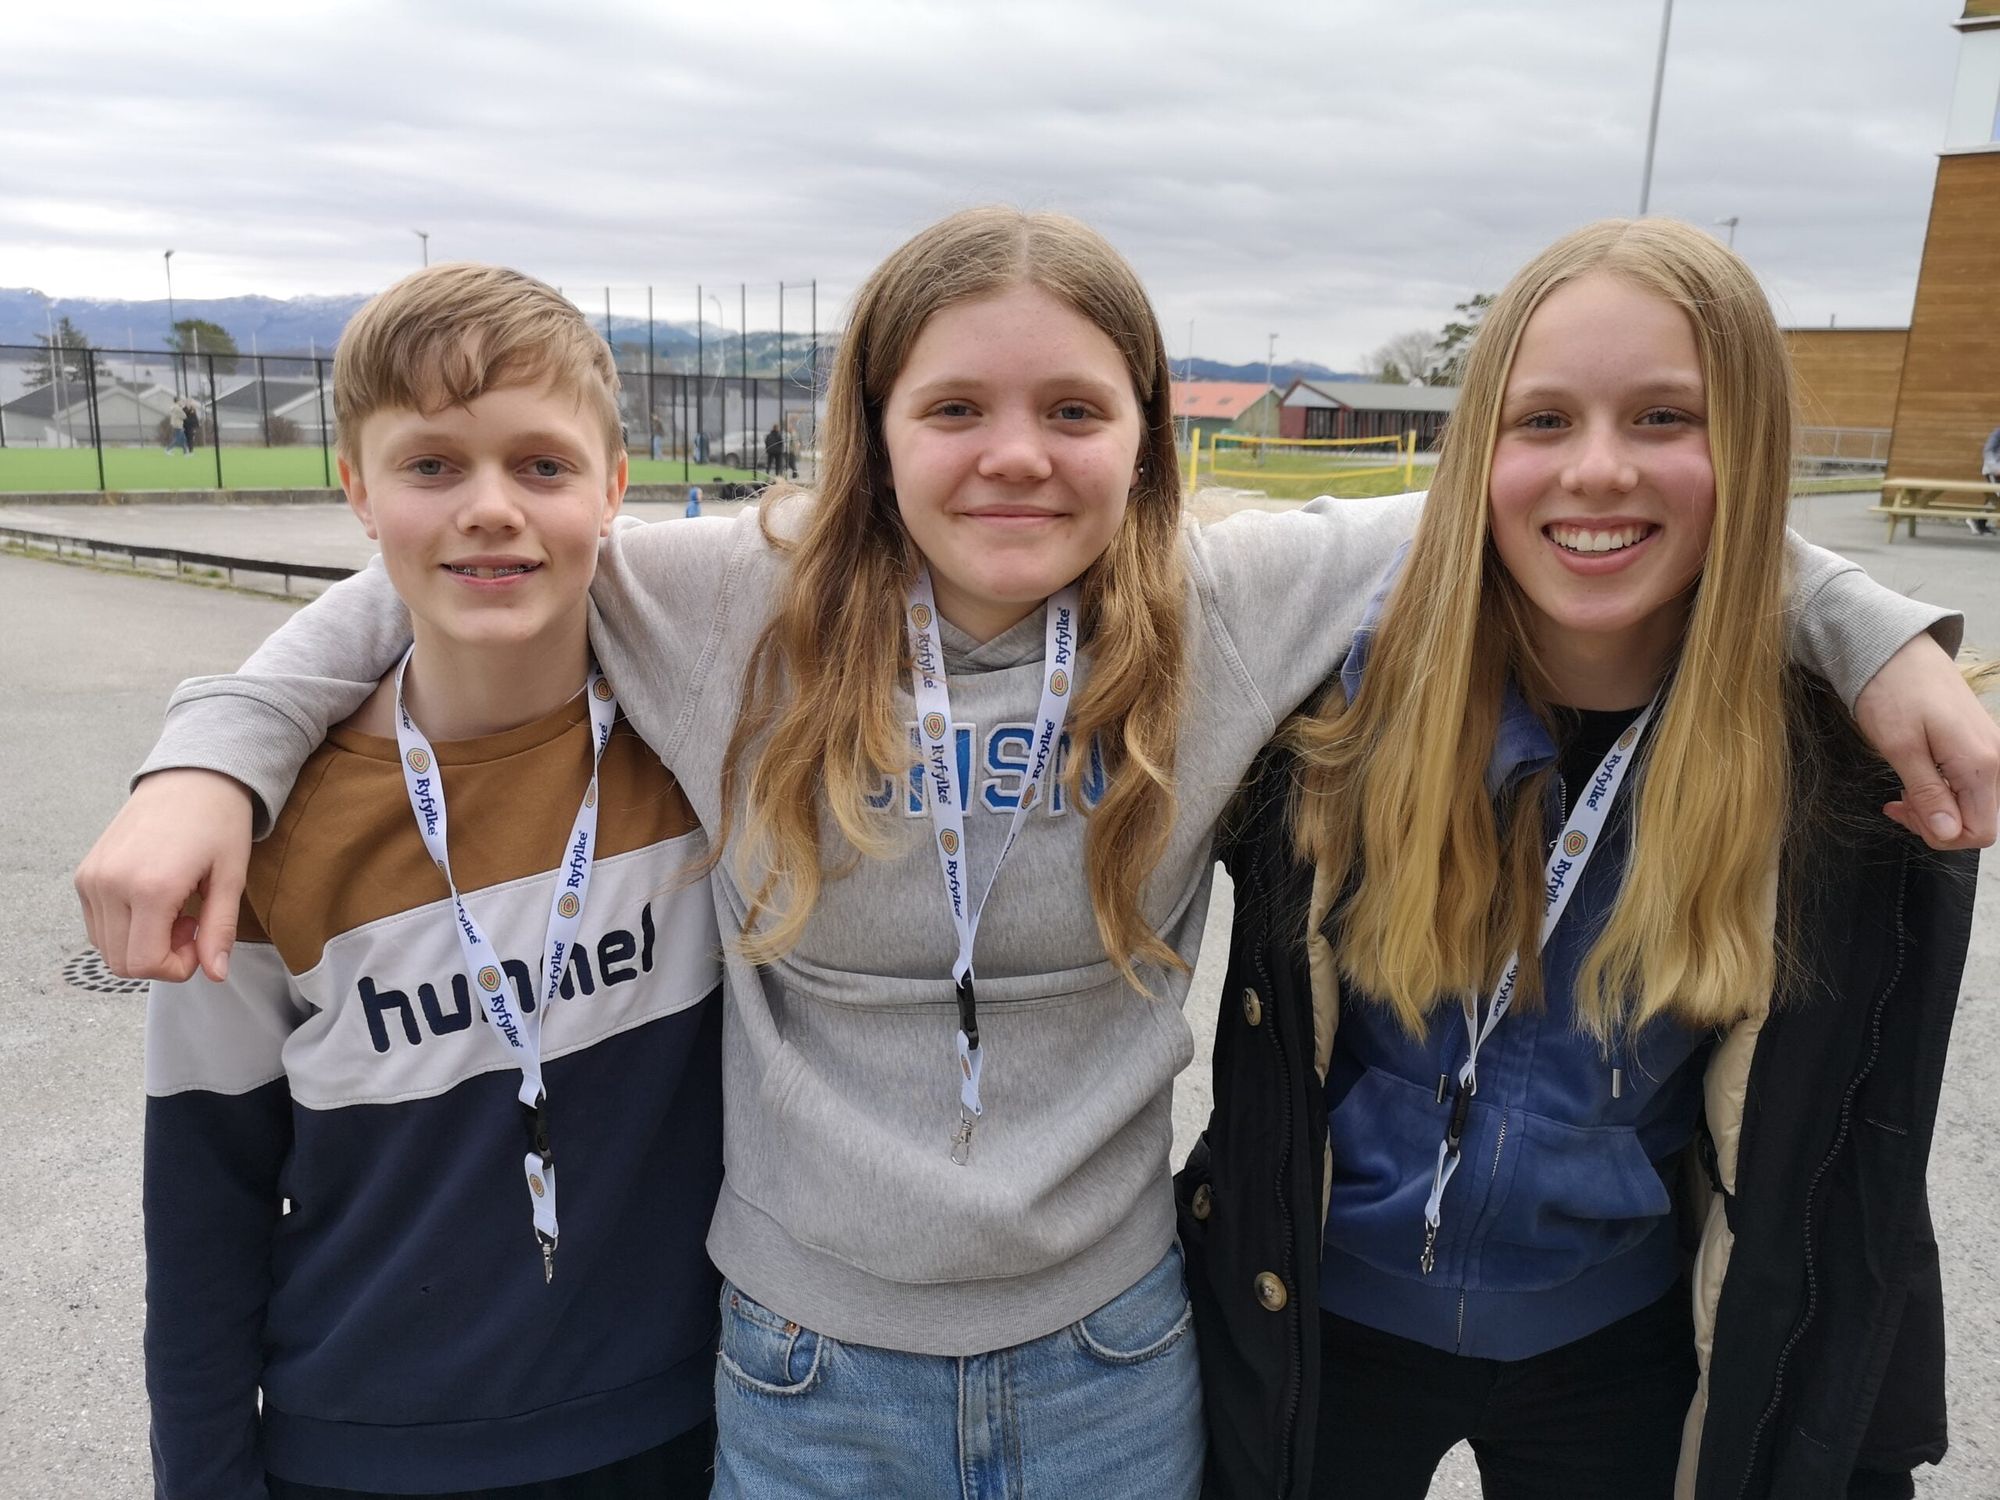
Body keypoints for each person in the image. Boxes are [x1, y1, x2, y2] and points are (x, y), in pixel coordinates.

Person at [76, 209, 1997, 1498]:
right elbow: (458, 569)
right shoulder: (735, 608)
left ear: (1147, 437)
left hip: (1114, 1366)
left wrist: (1864, 628)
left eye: (1075, 411)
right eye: (958, 410)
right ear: (873, 432)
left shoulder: (1222, 606)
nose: (1019, 457)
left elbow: (1576, 491)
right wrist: (211, 766)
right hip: (807, 1374)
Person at [1179, 218, 1983, 1500]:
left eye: (1665, 417)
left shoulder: (1839, 776)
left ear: (1749, 449)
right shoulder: (1323, 712)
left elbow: (1848, 1169)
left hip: (1616, 1341)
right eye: (1540, 422)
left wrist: (1850, 621)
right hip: (1316, 1315)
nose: (1595, 471)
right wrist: (1852, 606)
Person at [139, 263, 725, 1500]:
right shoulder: (260, 835)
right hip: (363, 1447)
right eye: (432, 467)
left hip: (684, 1420)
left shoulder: (705, 748)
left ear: (615, 487)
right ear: (355, 487)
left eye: (543, 467)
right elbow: (205, 1204)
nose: (491, 508)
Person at [1971, 422, 2000, 535]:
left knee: (1995, 498)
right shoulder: (1998, 433)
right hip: (1994, 471)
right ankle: (1978, 521)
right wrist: (1996, 468)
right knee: (1996, 497)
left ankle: (1978, 521)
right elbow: (1988, 450)